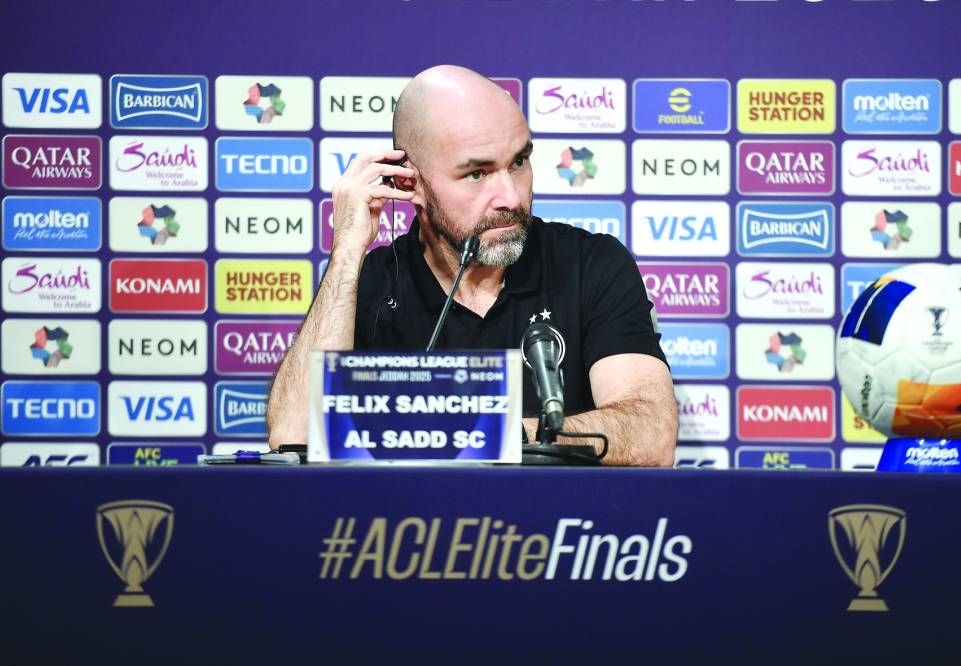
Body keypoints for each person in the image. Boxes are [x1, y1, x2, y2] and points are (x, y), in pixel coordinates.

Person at [267, 65, 677, 466]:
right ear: (410, 184)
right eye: (477, 173)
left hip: (560, 530)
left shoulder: (590, 264)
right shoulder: (370, 282)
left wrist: (485, 433)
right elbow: (293, 435)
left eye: (519, 162)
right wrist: (346, 252)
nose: (510, 198)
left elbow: (650, 432)